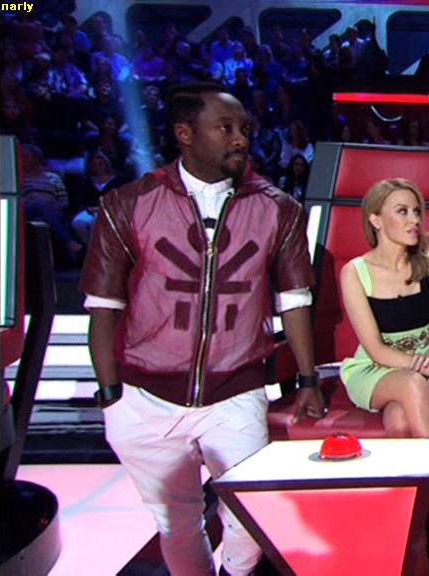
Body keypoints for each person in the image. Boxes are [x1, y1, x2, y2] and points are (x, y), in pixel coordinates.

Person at [80, 82, 325, 576]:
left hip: (235, 391)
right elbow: (103, 307)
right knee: (177, 525)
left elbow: (295, 300)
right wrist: (111, 396)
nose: (240, 139)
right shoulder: (129, 203)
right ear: (185, 134)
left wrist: (307, 379)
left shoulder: (278, 208)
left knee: (250, 518)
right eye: (225, 128)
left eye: (245, 129)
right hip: (144, 398)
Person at [339, 178, 429, 571]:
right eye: (402, 211)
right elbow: (376, 350)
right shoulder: (355, 272)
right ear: (375, 219)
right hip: (374, 370)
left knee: (401, 420)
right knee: (411, 383)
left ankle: (414, 537)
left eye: (417, 211)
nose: (414, 220)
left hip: (423, 368)